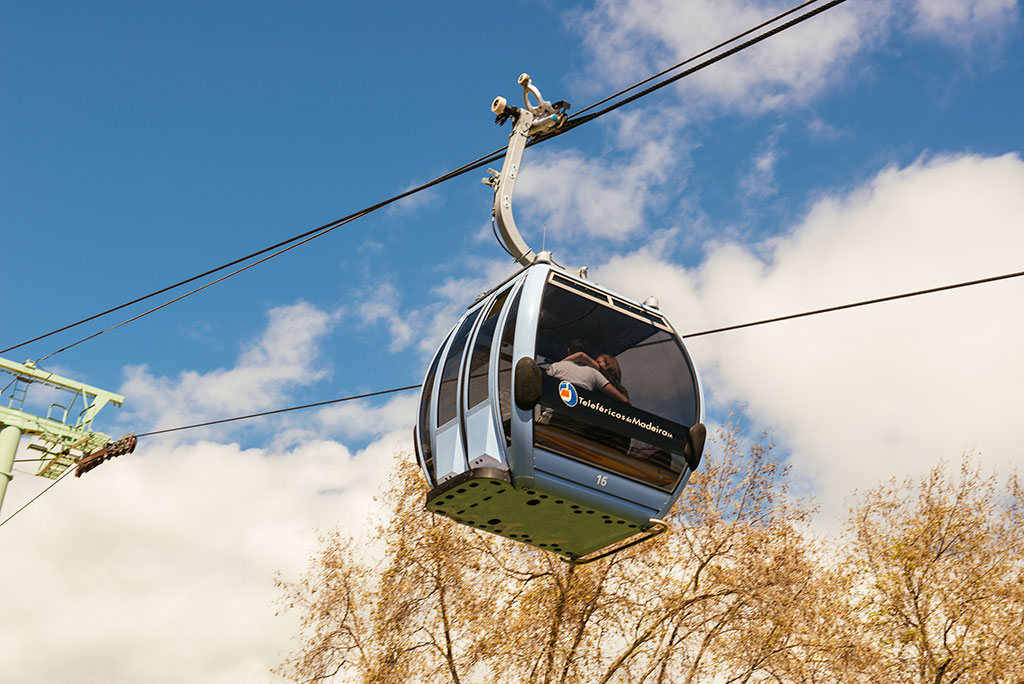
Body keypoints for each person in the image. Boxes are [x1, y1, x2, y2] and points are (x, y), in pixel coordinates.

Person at [547, 340, 630, 403]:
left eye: (598, 362)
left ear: (609, 366)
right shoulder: (596, 374)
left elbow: (581, 355)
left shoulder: (598, 373)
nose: (592, 363)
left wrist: (558, 365)